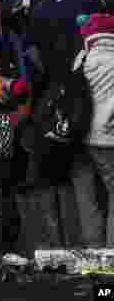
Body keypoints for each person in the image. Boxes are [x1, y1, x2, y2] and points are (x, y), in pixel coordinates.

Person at [68, 14, 114, 245]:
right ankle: (112, 256)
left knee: (86, 198)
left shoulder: (82, 59)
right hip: (108, 140)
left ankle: (93, 255)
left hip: (79, 137)